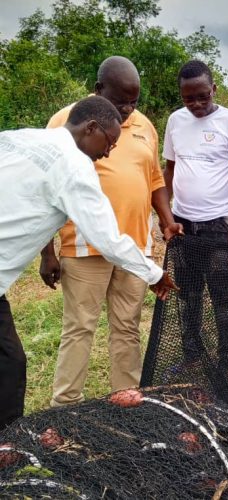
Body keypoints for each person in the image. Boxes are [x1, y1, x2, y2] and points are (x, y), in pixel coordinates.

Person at [0, 96, 177, 430]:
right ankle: (17, 439)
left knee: (10, 361)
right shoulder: (75, 167)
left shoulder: (22, 136)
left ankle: (8, 443)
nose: (108, 152)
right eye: (108, 142)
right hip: (85, 255)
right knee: (11, 363)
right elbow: (108, 239)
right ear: (90, 128)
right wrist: (154, 273)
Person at [39, 56, 182, 407]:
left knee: (127, 329)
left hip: (135, 249)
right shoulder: (65, 121)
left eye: (134, 100)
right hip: (85, 248)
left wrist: (165, 219)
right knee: (79, 329)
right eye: (121, 101)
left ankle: (126, 401)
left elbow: (154, 180)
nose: (129, 109)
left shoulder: (145, 125)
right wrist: (47, 252)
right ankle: (66, 406)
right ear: (99, 89)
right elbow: (44, 187)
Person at [162, 60, 228, 375]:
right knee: (188, 294)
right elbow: (170, 169)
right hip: (183, 223)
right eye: (190, 98)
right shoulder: (175, 122)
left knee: (223, 296)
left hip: (218, 225)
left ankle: (227, 362)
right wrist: (164, 215)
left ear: (213, 89)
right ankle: (191, 357)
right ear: (181, 95)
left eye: (203, 96)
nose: (197, 104)